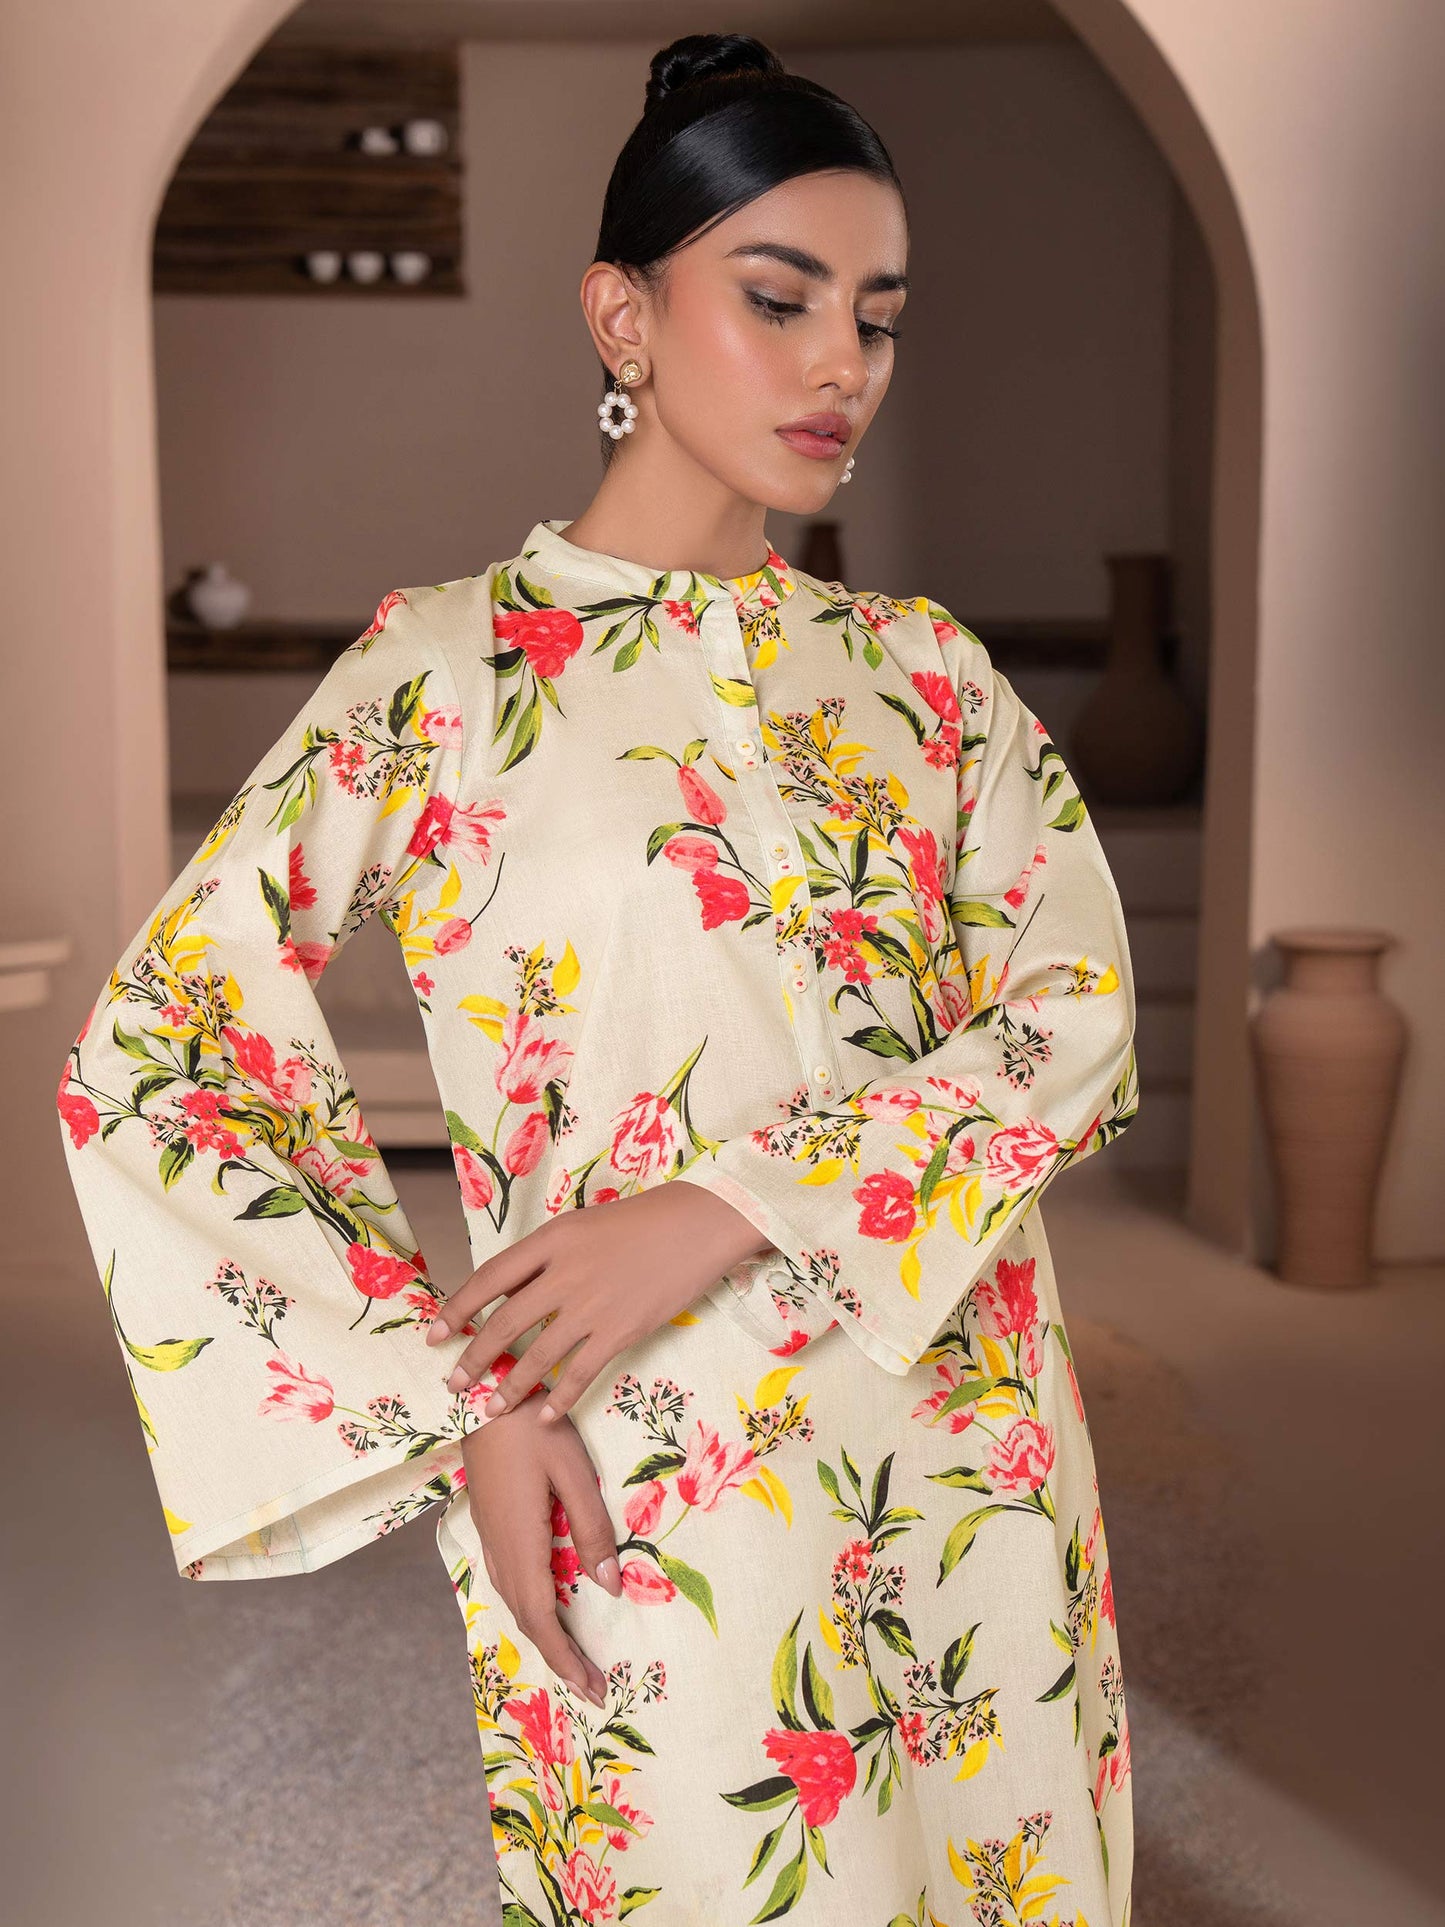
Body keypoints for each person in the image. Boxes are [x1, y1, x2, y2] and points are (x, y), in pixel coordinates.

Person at [57, 30, 1139, 1926]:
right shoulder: (443, 672)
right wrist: (457, 1396)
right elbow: (160, 1048)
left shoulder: (929, 678)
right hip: (640, 1449)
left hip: (966, 1436)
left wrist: (728, 1204)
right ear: (620, 317)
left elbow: (1073, 1020)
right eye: (778, 298)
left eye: (877, 318)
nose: (839, 364)